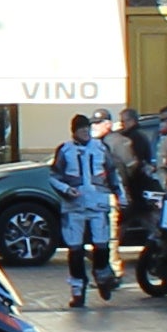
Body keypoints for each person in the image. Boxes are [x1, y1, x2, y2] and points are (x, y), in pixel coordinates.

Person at [50, 113, 120, 306]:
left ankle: (102, 275)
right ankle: (78, 290)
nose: (85, 133)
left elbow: (113, 174)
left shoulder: (100, 148)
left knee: (102, 244)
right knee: (75, 250)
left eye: (87, 129)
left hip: (98, 204)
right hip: (74, 207)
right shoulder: (65, 150)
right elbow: (54, 177)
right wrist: (66, 189)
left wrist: (121, 196)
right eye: (81, 129)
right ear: (74, 132)